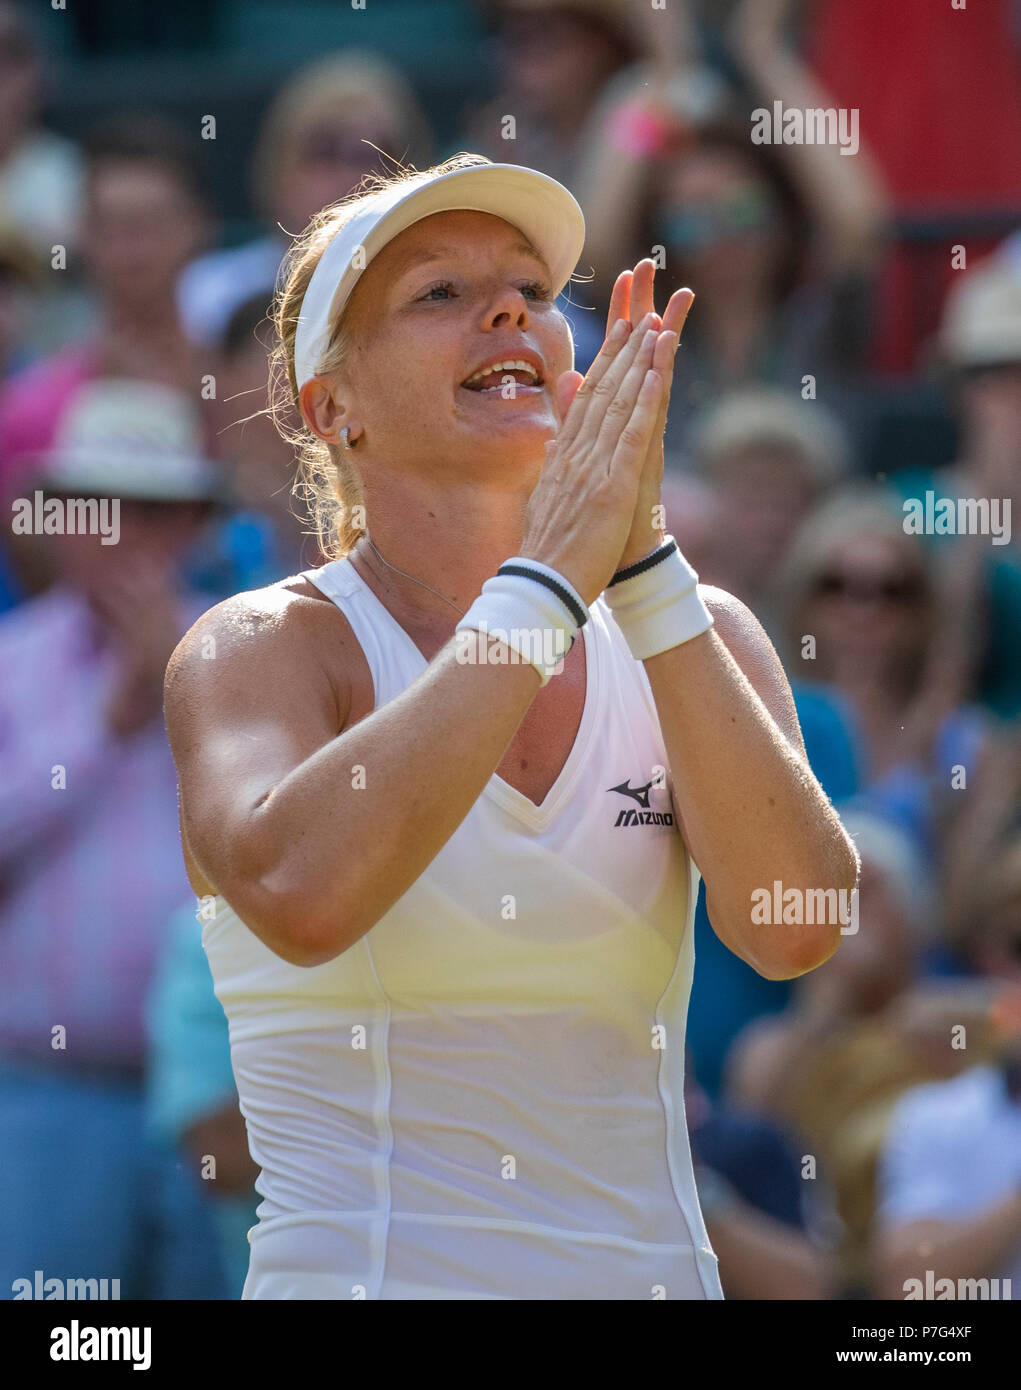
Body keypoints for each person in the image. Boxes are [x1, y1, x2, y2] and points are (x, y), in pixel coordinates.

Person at [164, 151, 859, 1300]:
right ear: (330, 409)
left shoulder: (698, 627)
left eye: (532, 293)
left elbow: (799, 926)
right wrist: (547, 580)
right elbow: (300, 894)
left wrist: (641, 574)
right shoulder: (260, 650)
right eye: (439, 292)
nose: (508, 311)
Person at [0, 379, 227, 1299]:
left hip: (225, 1104)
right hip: (50, 1095)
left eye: (151, 511)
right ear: (56, 522)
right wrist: (111, 720)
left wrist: (176, 698)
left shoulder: (247, 655)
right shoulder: (11, 667)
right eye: (96, 508)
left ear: (189, 527)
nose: (122, 534)